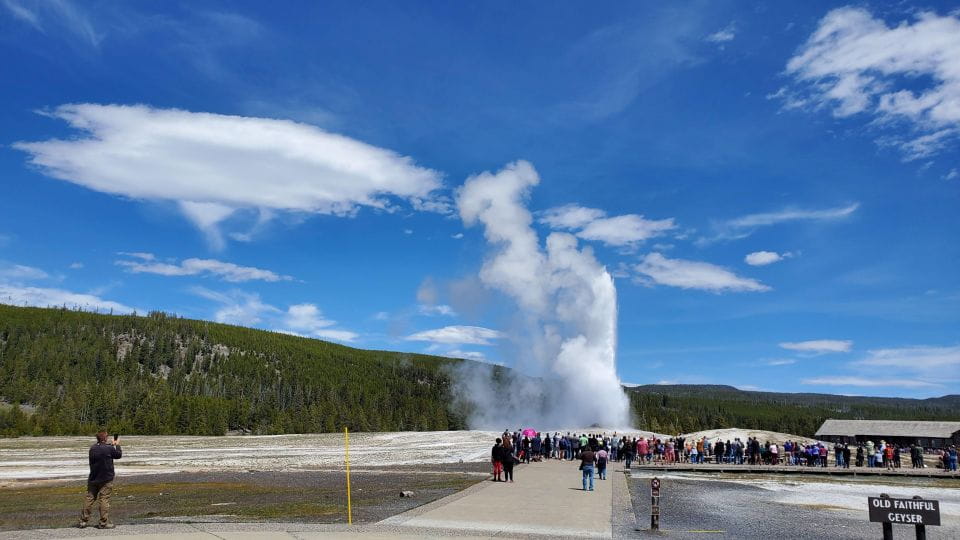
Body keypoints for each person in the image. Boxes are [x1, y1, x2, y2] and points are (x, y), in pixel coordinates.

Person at [80, 431, 122, 529]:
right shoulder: (109, 448)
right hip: (106, 478)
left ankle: (83, 521)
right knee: (104, 499)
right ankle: (103, 522)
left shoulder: (93, 448)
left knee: (89, 499)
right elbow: (118, 455)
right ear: (105, 438)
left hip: (94, 478)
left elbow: (103, 449)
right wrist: (117, 445)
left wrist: (111, 445)